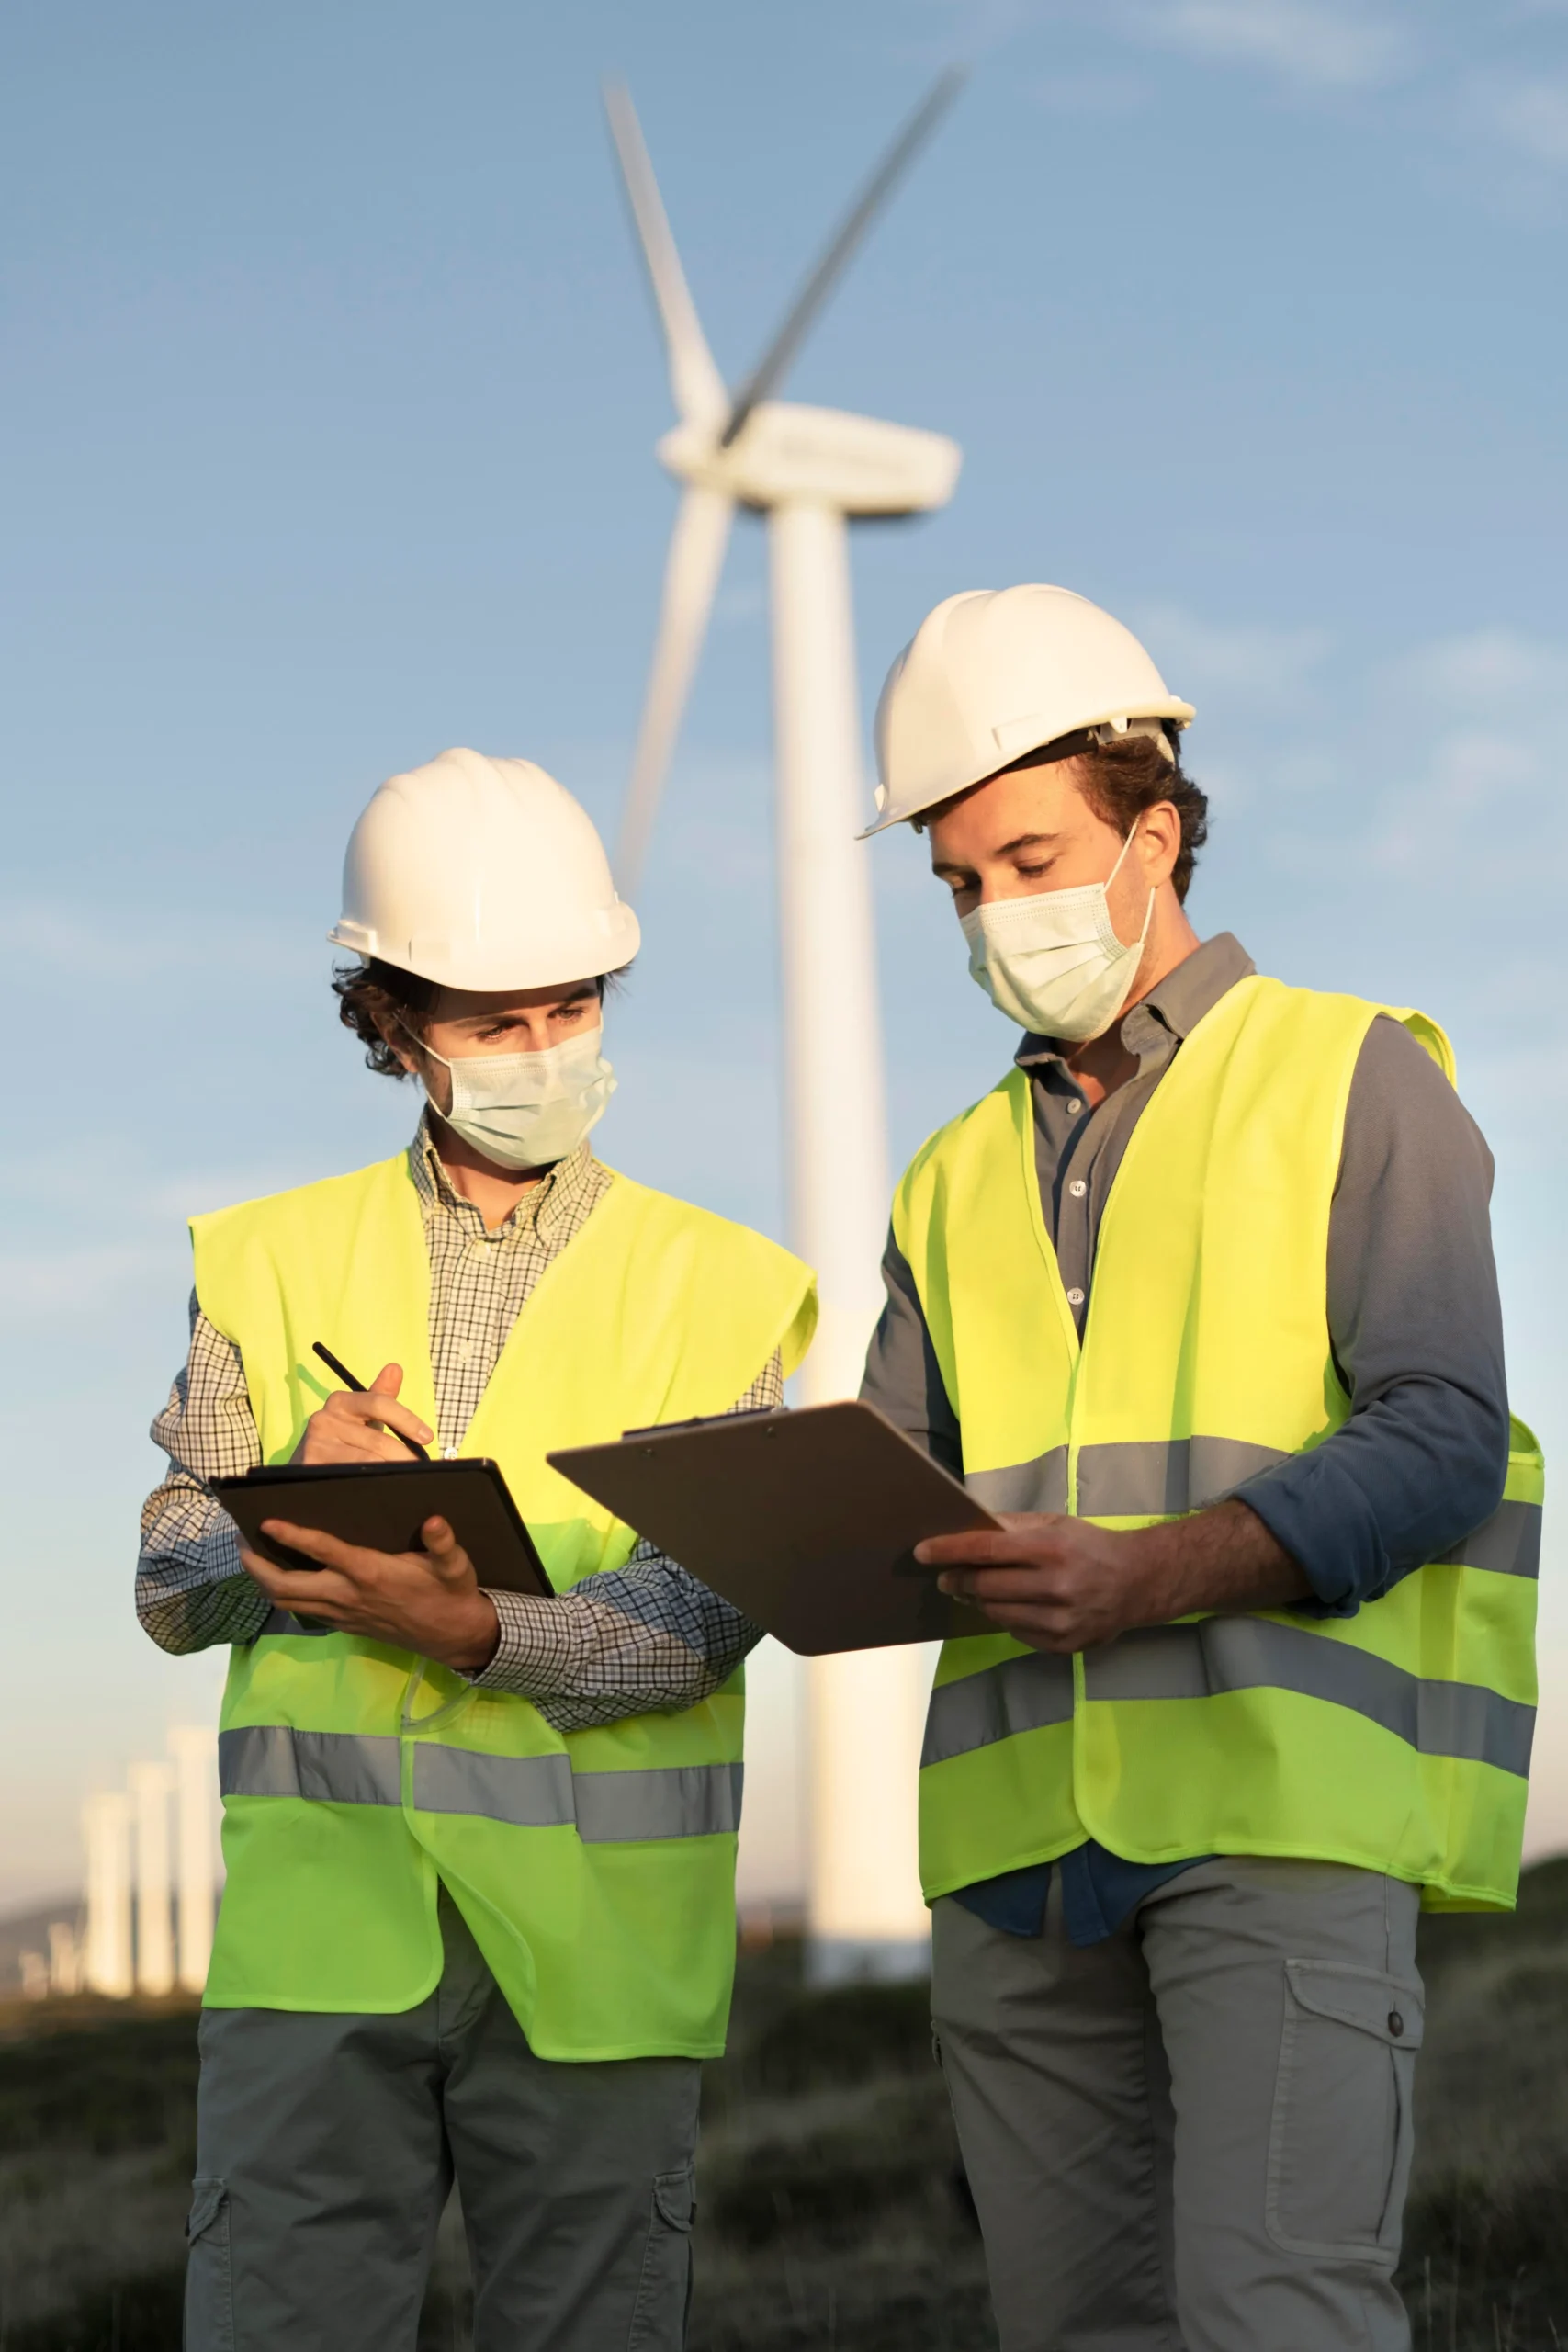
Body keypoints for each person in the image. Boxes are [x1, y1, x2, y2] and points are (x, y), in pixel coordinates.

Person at [858, 586, 1542, 2352]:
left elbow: (1440, 1432)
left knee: (1275, 2316)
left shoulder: (1350, 1076)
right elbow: (897, 1503)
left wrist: (1149, 1572)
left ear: (1150, 833)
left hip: (1273, 1822)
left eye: (1025, 859)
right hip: (1015, 1861)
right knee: (1069, 2331)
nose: (992, 913)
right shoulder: (944, 1175)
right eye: (956, 883)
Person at [137, 747, 817, 2352]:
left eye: (570, 1008)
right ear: (390, 1023)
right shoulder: (265, 1259)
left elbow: (695, 1618)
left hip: (597, 1967)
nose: (543, 1051)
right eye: (492, 1023)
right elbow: (169, 1579)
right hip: (322, 1954)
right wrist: (282, 1501)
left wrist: (477, 1634)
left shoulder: (721, 1285)